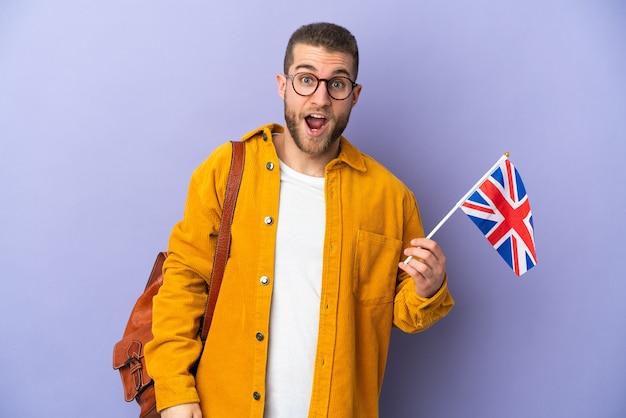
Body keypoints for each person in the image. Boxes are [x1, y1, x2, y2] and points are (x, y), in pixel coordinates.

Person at [144, 22, 454, 418]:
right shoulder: (228, 170)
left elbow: (402, 313)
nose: (320, 98)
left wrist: (429, 288)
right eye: (306, 79)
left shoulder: (391, 198)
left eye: (337, 84)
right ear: (283, 85)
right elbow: (182, 283)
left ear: (354, 95)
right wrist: (174, 390)